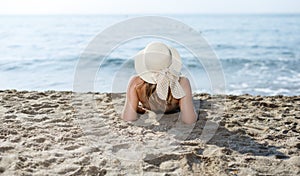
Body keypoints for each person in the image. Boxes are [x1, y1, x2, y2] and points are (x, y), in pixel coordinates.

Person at [121, 42, 197, 124]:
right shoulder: (181, 82)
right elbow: (189, 120)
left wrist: (134, 108)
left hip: (149, 107)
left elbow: (128, 117)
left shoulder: (136, 82)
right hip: (172, 109)